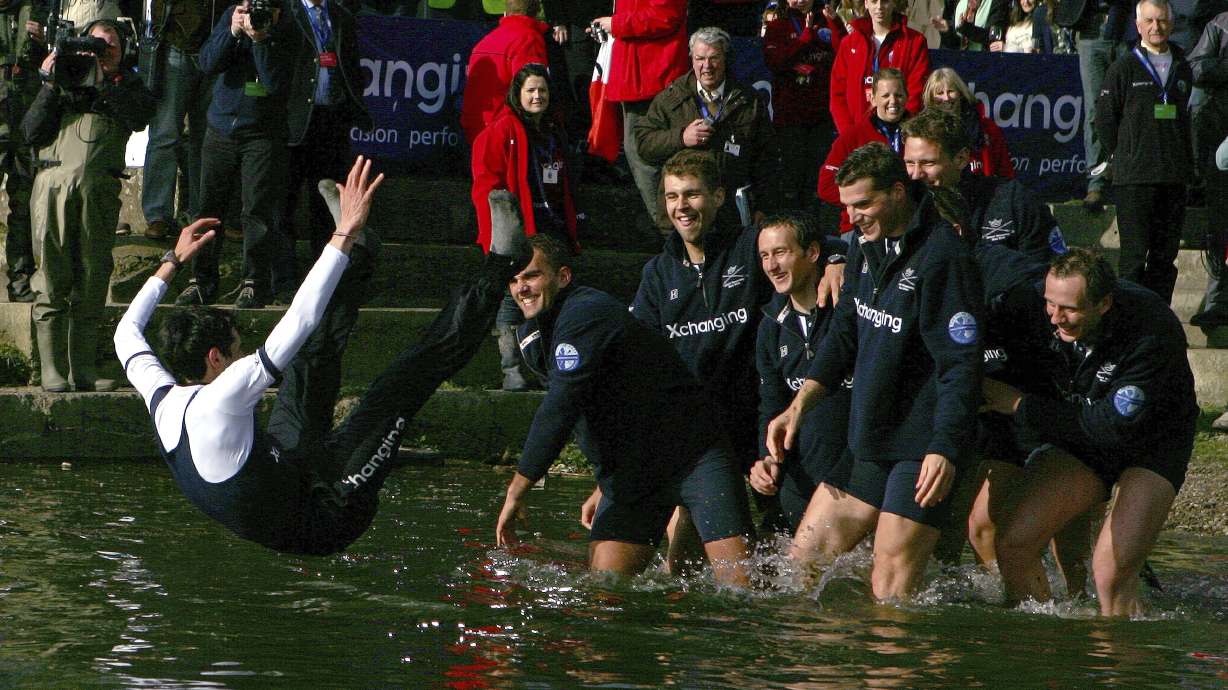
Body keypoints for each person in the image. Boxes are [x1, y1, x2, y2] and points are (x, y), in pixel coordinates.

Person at [116, 157, 532, 555]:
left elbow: (126, 333)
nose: (244, 352)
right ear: (215, 358)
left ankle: (360, 253)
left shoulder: (161, 396)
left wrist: (173, 260)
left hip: (289, 471)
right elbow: (300, 316)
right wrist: (342, 231)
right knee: (400, 384)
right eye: (237, 346)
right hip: (329, 513)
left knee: (308, 359)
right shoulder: (223, 396)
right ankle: (501, 263)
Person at [767, 142, 984, 600]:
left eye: (863, 204)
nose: (853, 218)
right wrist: (799, 404)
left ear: (899, 192)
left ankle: (893, 670)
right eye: (847, 207)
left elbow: (959, 365)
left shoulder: (944, 256)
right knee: (800, 566)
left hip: (920, 446)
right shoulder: (863, 246)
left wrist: (944, 447)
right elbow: (843, 335)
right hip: (871, 435)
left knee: (889, 585)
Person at [494, 233, 755, 586]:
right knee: (604, 589)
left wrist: (517, 490)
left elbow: (561, 407)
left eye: (531, 276)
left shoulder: (587, 311)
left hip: (693, 456)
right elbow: (595, 408)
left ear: (563, 276)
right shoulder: (533, 335)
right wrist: (604, 482)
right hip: (633, 475)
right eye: (514, 280)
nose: (521, 288)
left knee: (742, 590)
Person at [984, 249, 1198, 616]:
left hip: (1151, 443)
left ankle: (1120, 665)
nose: (1056, 318)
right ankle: (1046, 652)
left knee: (1109, 574)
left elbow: (1108, 428)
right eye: (1050, 304)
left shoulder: (1149, 329)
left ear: (1103, 304)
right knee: (1014, 545)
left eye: (1070, 309)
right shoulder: (1032, 302)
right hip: (1082, 427)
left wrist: (1021, 405)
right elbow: (984, 264)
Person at [24, 20, 155, 392]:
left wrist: (103, 83)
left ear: (122, 51)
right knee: (51, 274)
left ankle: (82, 368)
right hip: (52, 185)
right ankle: (52, 367)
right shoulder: (63, 79)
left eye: (110, 46)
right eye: (95, 45)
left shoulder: (127, 86)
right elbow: (30, 132)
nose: (101, 53)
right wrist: (51, 83)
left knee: (93, 276)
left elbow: (139, 117)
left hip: (98, 190)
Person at [176, 0, 295, 309]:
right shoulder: (233, 15)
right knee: (207, 208)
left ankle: (254, 281)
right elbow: (207, 63)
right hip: (220, 127)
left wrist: (260, 41)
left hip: (263, 132)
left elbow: (275, 81)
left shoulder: (287, 23)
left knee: (256, 209)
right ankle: (201, 281)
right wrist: (231, 32)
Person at [472, 63, 578, 391]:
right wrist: (499, 236)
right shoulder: (501, 130)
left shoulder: (552, 131)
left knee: (548, 301)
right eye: (530, 90)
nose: (537, 96)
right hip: (517, 233)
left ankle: (547, 369)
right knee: (512, 300)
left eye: (542, 90)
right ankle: (511, 370)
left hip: (550, 229)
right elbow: (485, 187)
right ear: (517, 94)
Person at [749, 212, 852, 532]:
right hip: (799, 479)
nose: (771, 266)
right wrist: (766, 460)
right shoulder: (770, 325)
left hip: (855, 478)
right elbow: (771, 405)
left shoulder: (849, 308)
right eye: (764, 256)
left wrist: (839, 256)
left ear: (812, 253)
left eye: (781, 253)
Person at [635, 26, 780, 231]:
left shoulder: (749, 100)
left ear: (726, 59)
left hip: (731, 216)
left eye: (714, 58)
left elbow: (767, 160)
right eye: (700, 58)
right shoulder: (671, 98)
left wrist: (763, 207)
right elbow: (643, 143)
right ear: (691, 60)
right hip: (682, 217)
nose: (707, 66)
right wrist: (681, 138)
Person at [1096, 0, 1192, 304]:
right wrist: (1124, 153)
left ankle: (1158, 320)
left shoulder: (1182, 65)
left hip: (1173, 176)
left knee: (1165, 258)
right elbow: (1105, 119)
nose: (1156, 27)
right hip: (1135, 177)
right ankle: (1131, 321)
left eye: (1162, 21)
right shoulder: (1123, 67)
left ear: (1171, 24)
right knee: (1135, 258)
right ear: (1138, 26)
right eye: (1149, 21)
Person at [275, 0, 373, 298]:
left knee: (326, 204)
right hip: (293, 122)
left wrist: (351, 107)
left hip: (331, 122)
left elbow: (352, 67)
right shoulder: (286, 11)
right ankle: (284, 282)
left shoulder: (342, 15)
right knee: (284, 205)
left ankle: (324, 279)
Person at [901, 106, 1065, 263]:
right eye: (909, 163)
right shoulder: (900, 209)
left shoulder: (1014, 201)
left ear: (961, 158)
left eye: (928, 163)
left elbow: (1048, 275)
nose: (915, 174)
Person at [591, 0, 688, 229]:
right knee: (642, 155)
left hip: (652, 76)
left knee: (646, 156)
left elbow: (665, 15)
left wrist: (616, 24)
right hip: (642, 74)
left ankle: (672, 232)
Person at [139, 0, 217, 242]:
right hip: (175, 44)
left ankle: (203, 214)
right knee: (164, 134)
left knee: (208, 139)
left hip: (218, 46)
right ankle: (158, 215)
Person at [1052, 0, 1134, 211]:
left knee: (1130, 108)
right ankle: (1095, 182)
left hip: (1128, 27)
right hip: (1090, 30)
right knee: (1095, 110)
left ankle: (1127, 178)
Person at [762, 0, 838, 215]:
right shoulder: (778, 26)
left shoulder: (826, 22)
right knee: (791, 177)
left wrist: (834, 23)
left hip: (821, 116)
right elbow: (775, 61)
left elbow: (844, 52)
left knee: (817, 179)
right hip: (791, 117)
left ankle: (816, 227)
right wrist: (804, 39)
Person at [819, 67, 909, 234]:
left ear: (907, 97)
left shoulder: (918, 132)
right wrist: (868, 201)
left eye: (898, 95)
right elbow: (826, 185)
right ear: (872, 98)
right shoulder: (853, 136)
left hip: (909, 221)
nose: (893, 101)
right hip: (860, 225)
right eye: (885, 96)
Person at [829, 0, 929, 137]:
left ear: (894, 3)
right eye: (874, 1)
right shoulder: (849, 43)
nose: (879, 6)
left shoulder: (915, 42)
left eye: (885, 1)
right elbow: (838, 95)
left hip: (898, 137)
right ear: (866, 3)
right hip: (857, 138)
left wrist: (901, 133)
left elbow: (916, 93)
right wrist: (850, 135)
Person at [0, 0, 44, 303]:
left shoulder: (39, 9)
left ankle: (20, 279)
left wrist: (44, 41)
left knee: (24, 203)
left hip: (24, 119)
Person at [1187, 9, 1228, 328]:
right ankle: (1219, 299)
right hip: (1219, 131)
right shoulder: (1221, 24)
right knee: (1220, 221)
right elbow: (1195, 66)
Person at [459, 0, 548, 145]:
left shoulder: (484, 42)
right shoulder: (529, 39)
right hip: (507, 136)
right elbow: (532, 96)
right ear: (538, 11)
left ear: (506, 12)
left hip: (476, 133)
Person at [921, 68, 1014, 179]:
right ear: (931, 99)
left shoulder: (986, 127)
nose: (946, 98)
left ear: (960, 93)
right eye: (940, 93)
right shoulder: (924, 130)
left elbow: (1005, 170)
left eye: (951, 91)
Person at [931, 0, 1009, 50]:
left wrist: (967, 29)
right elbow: (955, 43)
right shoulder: (959, 3)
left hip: (985, 62)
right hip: (960, 61)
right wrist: (947, 31)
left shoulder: (998, 3)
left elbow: (994, 36)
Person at [989, 0, 1057, 53]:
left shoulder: (1040, 20)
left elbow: (1035, 50)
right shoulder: (1013, 19)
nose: (1025, 1)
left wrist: (1006, 48)